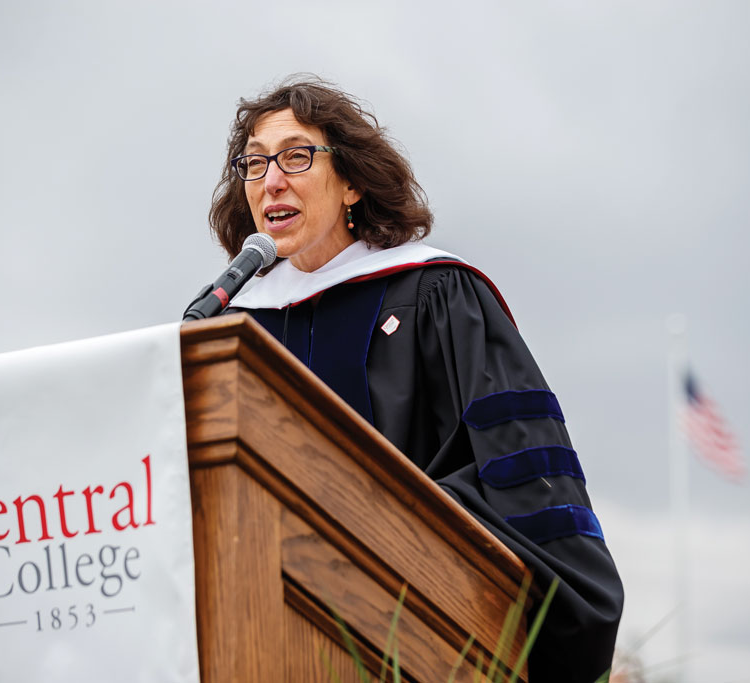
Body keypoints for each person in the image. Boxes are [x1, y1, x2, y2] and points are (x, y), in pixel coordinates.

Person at [209, 76, 623, 682]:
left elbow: (520, 483)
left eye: (296, 156)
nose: (271, 179)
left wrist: (377, 526)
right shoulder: (231, 328)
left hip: (416, 635)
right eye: (254, 164)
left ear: (350, 182)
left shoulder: (436, 293)